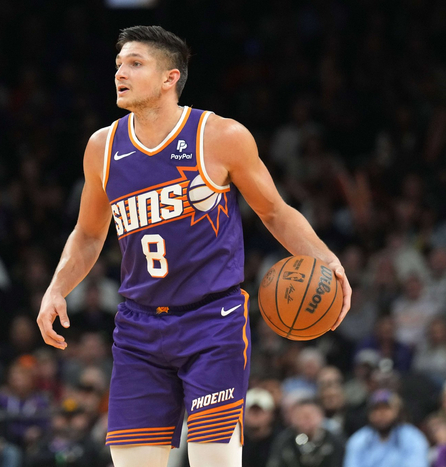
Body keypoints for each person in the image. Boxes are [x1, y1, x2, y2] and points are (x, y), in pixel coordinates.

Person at [36, 25, 352, 467]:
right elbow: (89, 234)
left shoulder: (219, 136)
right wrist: (56, 288)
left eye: (135, 64)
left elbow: (275, 212)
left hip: (212, 322)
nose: (120, 73)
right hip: (139, 326)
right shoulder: (102, 147)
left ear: (170, 77)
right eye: (118, 64)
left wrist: (327, 259)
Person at [344, 390, 428, 467]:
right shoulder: (358, 440)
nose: (381, 414)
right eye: (376, 409)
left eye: (386, 408)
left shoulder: (412, 437)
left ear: (397, 411)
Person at [266, 399, 345, 467]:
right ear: (293, 419)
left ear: (321, 416)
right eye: (301, 416)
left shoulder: (334, 441)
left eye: (310, 416)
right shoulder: (284, 441)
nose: (306, 421)